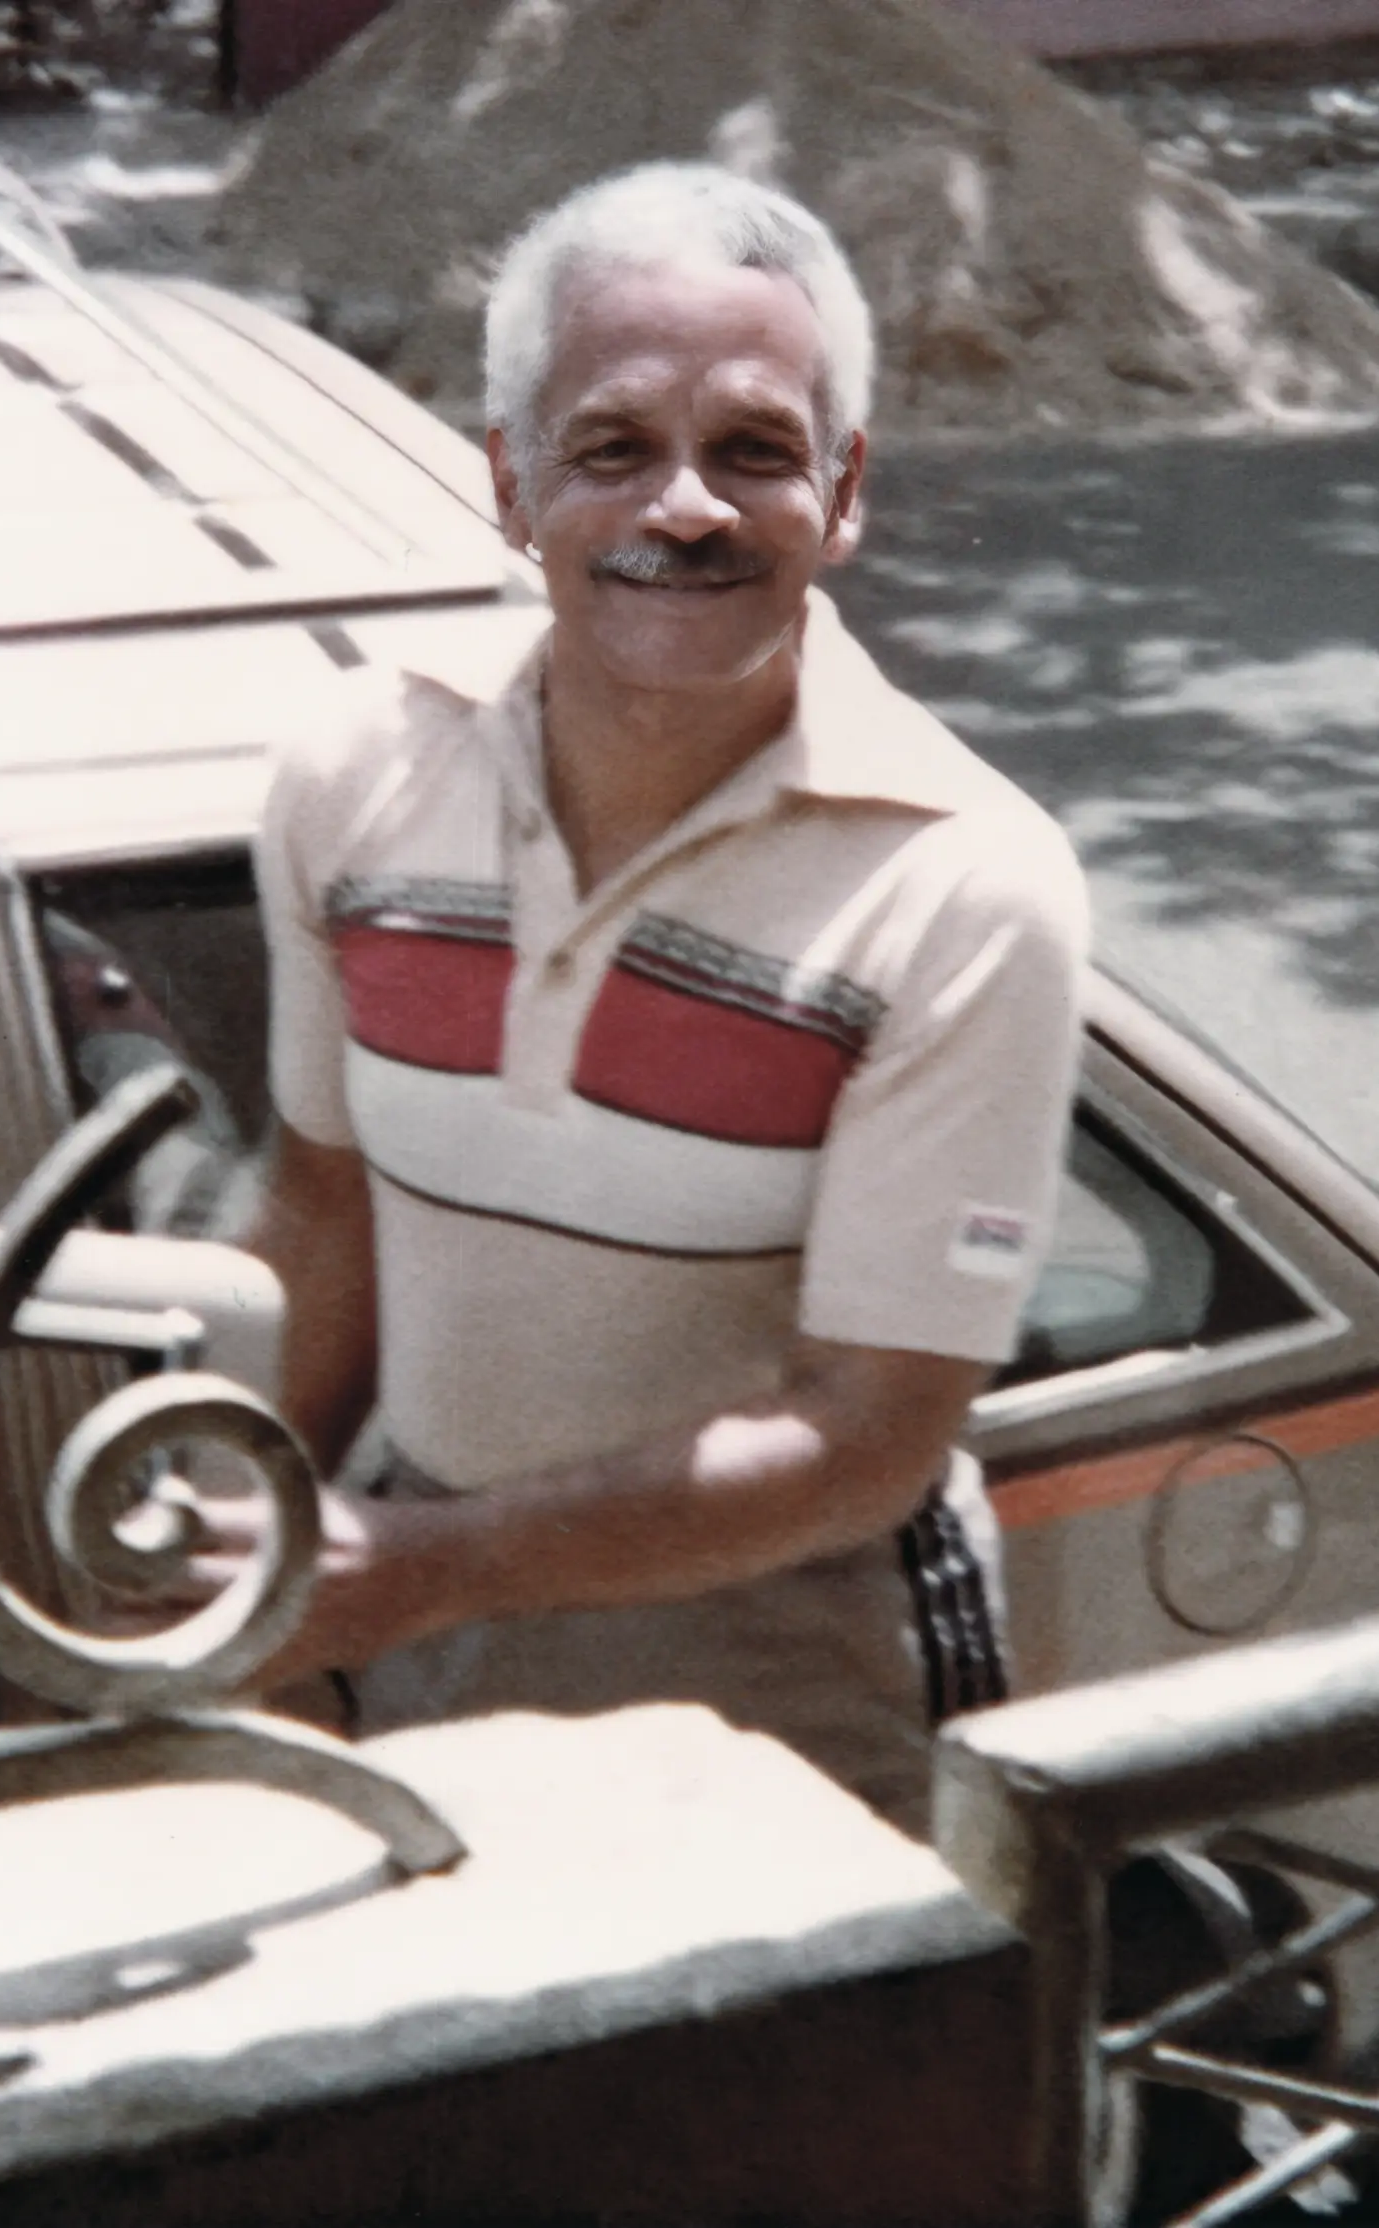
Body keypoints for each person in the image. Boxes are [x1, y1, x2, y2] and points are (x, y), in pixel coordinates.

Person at [194, 162, 1088, 1834]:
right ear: (512, 485)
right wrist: (266, 1553)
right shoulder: (356, 773)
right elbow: (323, 1213)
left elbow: (869, 1437)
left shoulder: (969, 883)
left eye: (754, 448)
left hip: (787, 1672)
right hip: (415, 1624)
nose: (685, 507)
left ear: (844, 492)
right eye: (612, 446)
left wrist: (407, 1573)